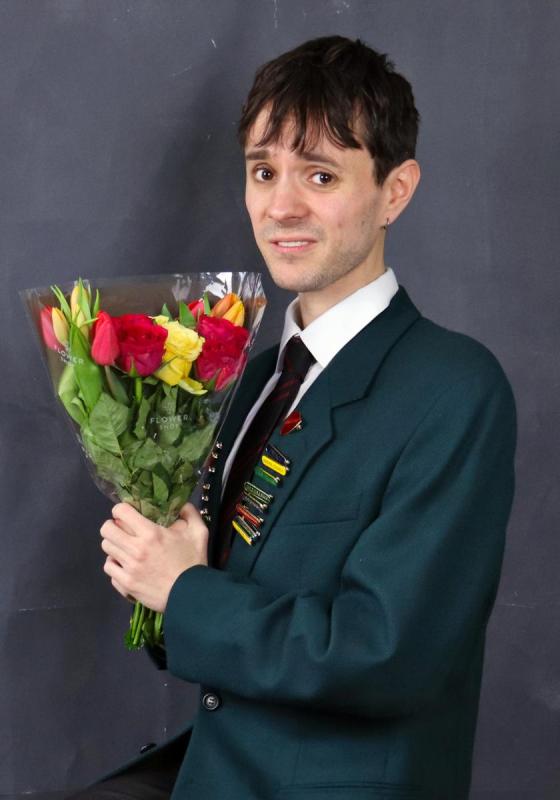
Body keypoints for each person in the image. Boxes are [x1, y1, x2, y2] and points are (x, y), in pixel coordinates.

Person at [89, 35, 517, 800]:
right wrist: (153, 571)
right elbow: (205, 629)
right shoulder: (252, 379)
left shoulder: (454, 389)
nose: (281, 206)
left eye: (321, 175)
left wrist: (184, 591)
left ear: (395, 191)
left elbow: (385, 654)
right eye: (264, 172)